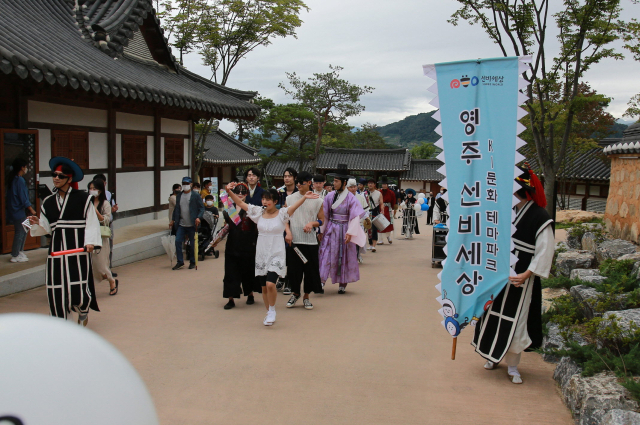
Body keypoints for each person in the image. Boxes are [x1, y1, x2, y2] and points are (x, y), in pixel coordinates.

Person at [472, 165, 554, 384]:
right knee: (491, 314)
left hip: (521, 279)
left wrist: (527, 273)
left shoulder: (540, 216)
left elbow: (545, 250)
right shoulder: (505, 212)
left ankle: (514, 366)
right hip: (499, 276)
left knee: (516, 320)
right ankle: (491, 355)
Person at [225, 182, 319, 326]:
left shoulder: (282, 214)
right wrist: (228, 191)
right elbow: (238, 202)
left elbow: (294, 206)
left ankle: (273, 310)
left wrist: (305, 197)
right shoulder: (257, 212)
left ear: (275, 201)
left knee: (270, 284)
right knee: (263, 287)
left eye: (269, 199)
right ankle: (268, 312)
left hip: (277, 252)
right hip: (261, 253)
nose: (265, 202)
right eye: (263, 199)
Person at [28, 157, 101, 326]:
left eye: (61, 176)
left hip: (77, 251)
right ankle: (63, 326)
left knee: (78, 289)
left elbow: (91, 222)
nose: (56, 178)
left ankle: (83, 312)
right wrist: (37, 223)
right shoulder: (48, 202)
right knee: (56, 289)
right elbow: (47, 228)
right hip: (56, 253)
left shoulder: (83, 199)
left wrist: (90, 242)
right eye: (54, 175)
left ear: (69, 179)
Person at [318, 164, 368, 294]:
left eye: (336, 181)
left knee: (343, 255)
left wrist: (350, 232)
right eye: (334, 181)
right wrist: (322, 231)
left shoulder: (351, 198)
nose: (334, 183)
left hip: (345, 229)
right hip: (331, 229)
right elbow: (326, 215)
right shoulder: (329, 196)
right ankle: (321, 281)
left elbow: (354, 217)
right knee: (326, 254)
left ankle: (342, 283)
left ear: (344, 182)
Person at [214, 183, 261, 309]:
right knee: (230, 273)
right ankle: (230, 298)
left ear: (247, 194)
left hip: (248, 245)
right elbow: (223, 195)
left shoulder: (251, 209)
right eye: (237, 192)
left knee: (248, 271)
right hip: (232, 244)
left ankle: (250, 294)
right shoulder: (230, 208)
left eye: (243, 192)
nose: (240, 194)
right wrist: (227, 188)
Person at [284, 171, 325, 310]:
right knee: (294, 270)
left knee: (310, 270)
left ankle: (306, 296)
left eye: (302, 182)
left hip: (310, 241)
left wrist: (312, 224)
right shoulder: (290, 199)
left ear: (309, 183)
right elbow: (285, 218)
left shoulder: (318, 200)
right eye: (298, 182)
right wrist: (288, 232)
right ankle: (295, 293)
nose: (299, 185)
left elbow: (321, 220)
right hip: (294, 240)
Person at [88, 179, 118, 296]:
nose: (92, 191)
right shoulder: (87, 202)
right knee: (89, 264)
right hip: (89, 235)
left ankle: (111, 280)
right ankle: (89, 289)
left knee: (101, 264)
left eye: (94, 189)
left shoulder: (105, 203)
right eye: (90, 188)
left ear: (100, 190)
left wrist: (95, 211)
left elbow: (106, 219)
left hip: (101, 236)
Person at [169, 177, 204, 270]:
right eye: (183, 183)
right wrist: (173, 220)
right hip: (181, 224)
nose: (185, 185)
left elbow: (201, 208)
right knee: (177, 241)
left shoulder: (195, 195)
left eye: (187, 183)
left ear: (191, 184)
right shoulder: (179, 195)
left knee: (192, 245)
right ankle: (180, 262)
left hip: (192, 224)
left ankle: (192, 261)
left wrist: (198, 217)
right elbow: (176, 209)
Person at [6, 158, 36, 263]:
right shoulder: (19, 180)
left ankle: (20, 250)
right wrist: (31, 209)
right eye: (26, 166)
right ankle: (15, 254)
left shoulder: (14, 179)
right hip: (18, 210)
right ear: (22, 168)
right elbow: (23, 197)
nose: (26, 168)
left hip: (17, 210)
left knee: (25, 228)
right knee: (20, 231)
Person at [93, 174, 118, 277]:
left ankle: (108, 268)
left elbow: (111, 209)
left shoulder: (108, 195)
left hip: (107, 225)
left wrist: (112, 210)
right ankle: (97, 270)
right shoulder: (89, 198)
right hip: (94, 227)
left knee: (108, 248)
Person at [278, 167, 298, 295]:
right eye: (285, 176)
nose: (287, 178)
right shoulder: (279, 192)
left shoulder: (299, 192)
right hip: (280, 227)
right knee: (280, 253)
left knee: (292, 254)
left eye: (289, 176)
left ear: (294, 178)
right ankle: (281, 277)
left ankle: (290, 282)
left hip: (295, 226)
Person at [347, 178, 370, 263]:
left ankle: (357, 255)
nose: (353, 188)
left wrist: (367, 219)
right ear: (347, 188)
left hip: (358, 223)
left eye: (354, 187)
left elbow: (365, 210)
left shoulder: (361, 197)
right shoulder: (344, 197)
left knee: (357, 241)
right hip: (347, 223)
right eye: (351, 187)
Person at [377, 175, 396, 244]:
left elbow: (393, 201)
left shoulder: (391, 192)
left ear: (387, 185)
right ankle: (381, 240)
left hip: (388, 209)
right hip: (380, 209)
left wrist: (392, 208)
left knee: (388, 223)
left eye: (385, 184)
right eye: (383, 184)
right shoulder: (379, 192)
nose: (384, 185)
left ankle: (389, 237)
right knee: (380, 224)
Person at [366, 178, 382, 252]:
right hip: (367, 212)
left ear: (374, 184)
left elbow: (381, 203)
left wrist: (382, 211)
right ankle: (370, 244)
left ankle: (374, 245)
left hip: (375, 211)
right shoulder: (365, 193)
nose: (370, 184)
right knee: (368, 228)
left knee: (374, 228)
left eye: (372, 183)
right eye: (369, 183)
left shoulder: (378, 193)